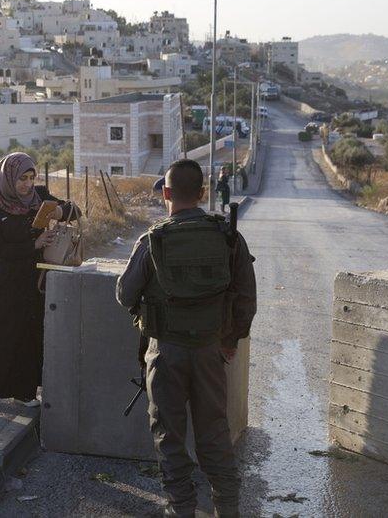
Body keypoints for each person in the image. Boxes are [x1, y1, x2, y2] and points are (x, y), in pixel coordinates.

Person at [116, 159, 257, 517]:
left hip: (165, 353)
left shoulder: (153, 239)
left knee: (170, 437)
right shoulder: (228, 236)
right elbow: (246, 297)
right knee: (215, 434)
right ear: (203, 193)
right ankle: (228, 510)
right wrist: (231, 340)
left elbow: (124, 295)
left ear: (165, 193)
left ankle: (182, 510)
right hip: (211, 350)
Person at [0, 152, 80, 408]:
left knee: (30, 333)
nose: (27, 184)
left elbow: (75, 210)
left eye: (31, 177)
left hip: (36, 277)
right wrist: (35, 243)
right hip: (6, 278)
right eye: (22, 178)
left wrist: (59, 212)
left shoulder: (39, 196)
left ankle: (25, 391)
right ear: (8, 177)